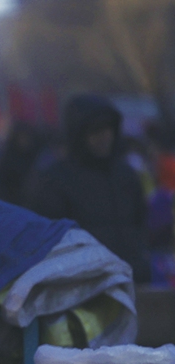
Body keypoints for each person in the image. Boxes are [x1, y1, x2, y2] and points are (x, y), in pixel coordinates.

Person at [30, 95, 150, 282]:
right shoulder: (57, 179)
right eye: (96, 130)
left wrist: (141, 261)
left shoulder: (126, 174)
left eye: (108, 129)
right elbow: (51, 237)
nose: (105, 136)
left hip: (132, 277)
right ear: (79, 134)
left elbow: (140, 222)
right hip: (85, 283)